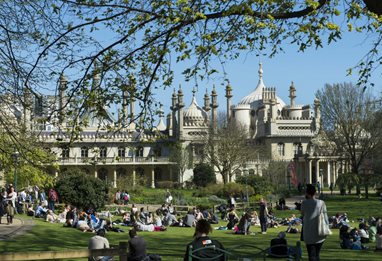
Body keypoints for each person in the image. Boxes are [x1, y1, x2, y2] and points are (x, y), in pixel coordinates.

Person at [301, 184, 328, 261]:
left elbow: (303, 214)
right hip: (319, 231)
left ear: (307, 193)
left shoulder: (304, 203)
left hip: (308, 231)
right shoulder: (321, 203)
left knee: (311, 254)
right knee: (316, 254)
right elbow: (326, 217)